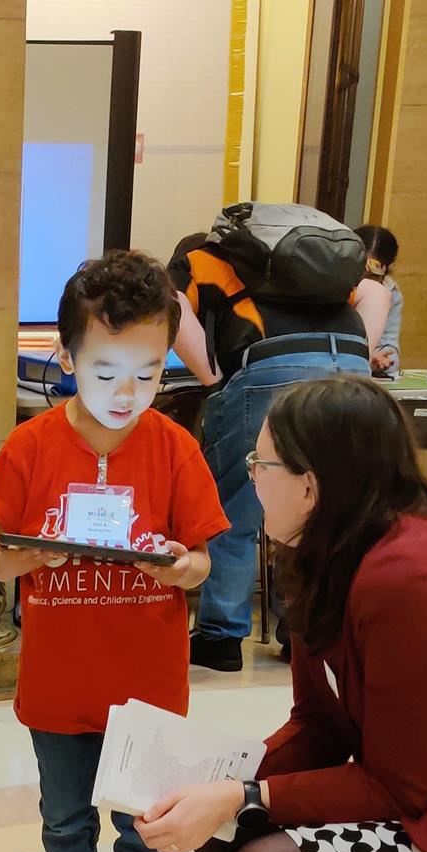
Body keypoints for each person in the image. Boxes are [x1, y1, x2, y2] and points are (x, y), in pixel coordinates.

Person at [0, 251, 230, 852]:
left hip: (149, 687)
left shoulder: (175, 448)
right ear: (66, 358)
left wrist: (180, 570)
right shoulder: (30, 447)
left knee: (148, 829)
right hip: (58, 688)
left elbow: (201, 561)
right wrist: (21, 556)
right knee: (64, 824)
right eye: (106, 371)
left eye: (147, 376)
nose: (127, 394)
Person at [132, 376, 427, 852]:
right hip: (412, 798)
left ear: (310, 483)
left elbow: (399, 787)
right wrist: (218, 780)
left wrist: (244, 795)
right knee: (220, 827)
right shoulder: (326, 556)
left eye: (260, 465)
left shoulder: (410, 578)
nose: (251, 478)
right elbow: (319, 724)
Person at [169, 215, 388, 671]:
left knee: (238, 501)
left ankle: (220, 637)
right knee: (324, 503)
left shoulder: (198, 260)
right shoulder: (311, 273)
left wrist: (214, 378)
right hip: (348, 367)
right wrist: (353, 355)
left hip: (269, 370)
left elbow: (167, 302)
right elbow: (377, 291)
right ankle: (303, 628)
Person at [357, 225, 404, 375]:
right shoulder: (332, 286)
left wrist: (380, 361)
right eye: (358, 276)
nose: (364, 285)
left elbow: (390, 350)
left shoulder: (391, 294)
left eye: (371, 278)